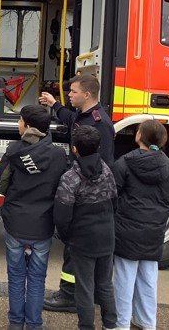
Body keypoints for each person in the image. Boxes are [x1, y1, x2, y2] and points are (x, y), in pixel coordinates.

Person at [38, 74, 115, 312]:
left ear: (87, 94)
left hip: (86, 197)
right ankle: (82, 294)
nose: (69, 95)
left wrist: (76, 189)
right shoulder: (85, 116)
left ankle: (69, 296)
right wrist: (55, 105)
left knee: (74, 246)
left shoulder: (99, 123)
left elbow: (98, 165)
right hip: (82, 192)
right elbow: (72, 119)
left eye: (72, 92)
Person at [0, 105, 68, 330]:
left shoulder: (13, 150)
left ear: (28, 126)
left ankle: (16, 324)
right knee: (37, 279)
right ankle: (35, 325)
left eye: (19, 120)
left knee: (16, 278)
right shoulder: (58, 155)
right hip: (43, 225)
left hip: (16, 224)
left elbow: (0, 185)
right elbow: (62, 189)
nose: (18, 124)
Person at [111, 120, 169, 330]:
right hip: (154, 230)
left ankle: (121, 324)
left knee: (123, 279)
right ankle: (147, 322)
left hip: (126, 230)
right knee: (148, 278)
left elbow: (113, 195)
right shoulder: (168, 168)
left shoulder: (124, 163)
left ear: (138, 136)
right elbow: (168, 198)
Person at [54, 126, 118, 330]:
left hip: (82, 242)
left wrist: (67, 237)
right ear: (99, 147)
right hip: (107, 238)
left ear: (74, 149)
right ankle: (110, 325)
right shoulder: (107, 170)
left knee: (84, 288)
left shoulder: (70, 178)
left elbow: (62, 216)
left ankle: (86, 327)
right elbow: (114, 202)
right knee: (106, 285)